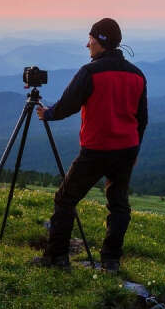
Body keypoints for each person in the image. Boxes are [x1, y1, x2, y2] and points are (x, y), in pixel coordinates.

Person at [34, 18, 148, 272]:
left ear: (102, 42)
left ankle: (56, 258)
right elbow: (142, 119)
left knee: (65, 199)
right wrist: (135, 150)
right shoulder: (137, 75)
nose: (88, 45)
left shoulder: (90, 72)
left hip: (96, 149)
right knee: (118, 204)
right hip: (126, 149)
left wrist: (48, 114)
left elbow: (68, 104)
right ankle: (111, 261)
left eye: (92, 40)